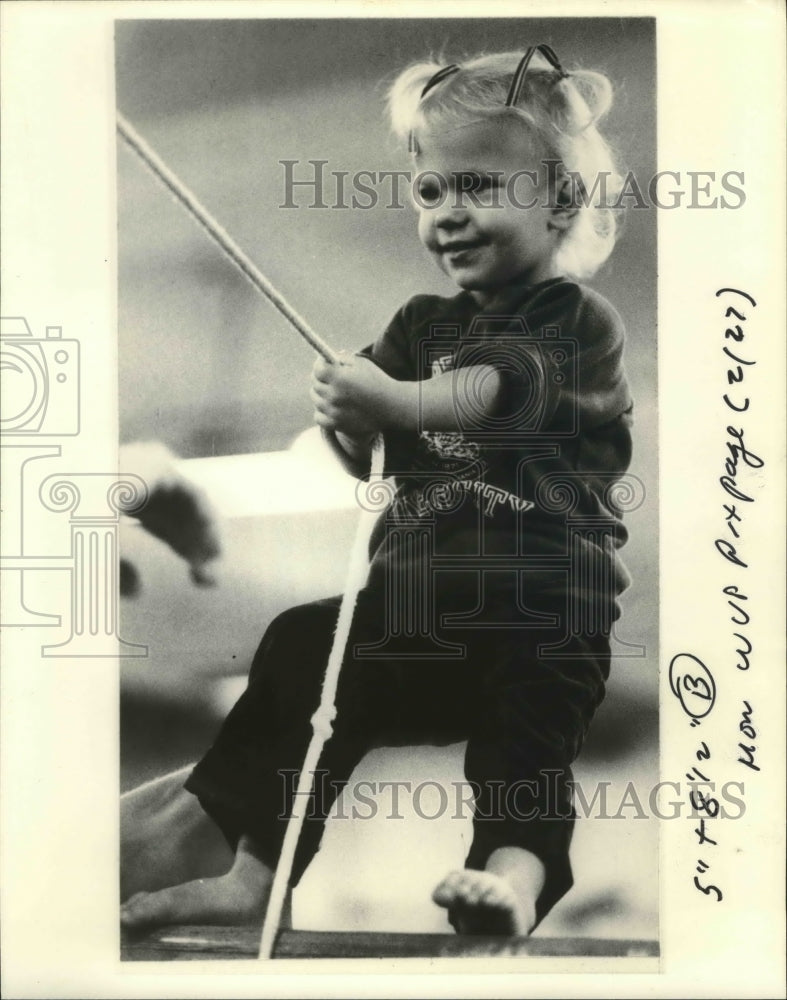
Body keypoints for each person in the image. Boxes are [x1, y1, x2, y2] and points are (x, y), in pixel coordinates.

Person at [121, 44, 633, 938]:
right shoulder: (421, 326)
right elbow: (380, 460)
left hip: (541, 604)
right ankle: (259, 872)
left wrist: (391, 400)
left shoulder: (572, 319)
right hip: (418, 609)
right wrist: (348, 424)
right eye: (430, 191)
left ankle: (511, 877)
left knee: (524, 752)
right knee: (303, 650)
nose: (447, 213)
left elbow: (495, 392)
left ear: (558, 201)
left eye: (478, 186)